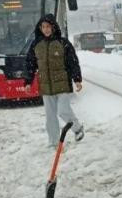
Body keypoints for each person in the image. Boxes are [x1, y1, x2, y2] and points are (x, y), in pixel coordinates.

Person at [22, 14, 85, 148]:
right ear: (40, 28)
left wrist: (77, 79)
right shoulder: (36, 45)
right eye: (43, 27)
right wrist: (28, 81)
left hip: (62, 84)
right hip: (46, 86)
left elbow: (72, 62)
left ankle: (78, 129)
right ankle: (54, 142)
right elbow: (30, 64)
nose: (46, 29)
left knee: (63, 111)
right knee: (50, 116)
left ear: (53, 27)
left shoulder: (63, 43)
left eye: (48, 26)